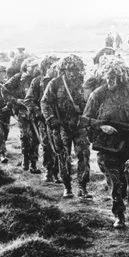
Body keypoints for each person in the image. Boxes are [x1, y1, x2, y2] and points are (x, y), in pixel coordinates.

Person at [82, 56, 129, 227]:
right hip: (107, 145)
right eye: (108, 77)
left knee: (125, 180)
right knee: (114, 180)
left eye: (114, 78)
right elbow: (86, 119)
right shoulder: (98, 94)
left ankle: (123, 205)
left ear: (121, 77)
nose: (111, 81)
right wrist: (102, 127)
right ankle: (119, 215)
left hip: (128, 143)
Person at [41, 55, 92, 199]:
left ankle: (83, 186)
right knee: (64, 156)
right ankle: (67, 186)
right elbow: (45, 102)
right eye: (69, 70)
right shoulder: (55, 83)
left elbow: (88, 102)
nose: (72, 73)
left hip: (79, 125)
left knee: (84, 154)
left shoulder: (82, 84)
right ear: (63, 69)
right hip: (62, 126)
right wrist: (51, 119)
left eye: (75, 70)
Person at [25, 55, 61, 182]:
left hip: (57, 119)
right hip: (43, 119)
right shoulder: (37, 82)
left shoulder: (59, 82)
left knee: (59, 145)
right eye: (52, 66)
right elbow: (29, 100)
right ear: (46, 67)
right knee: (47, 144)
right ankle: (49, 171)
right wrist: (38, 112)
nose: (56, 68)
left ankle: (58, 171)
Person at [4, 58, 41, 172]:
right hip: (22, 112)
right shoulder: (18, 78)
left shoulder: (38, 79)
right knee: (25, 136)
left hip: (35, 112)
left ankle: (33, 163)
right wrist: (15, 101)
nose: (36, 68)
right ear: (26, 67)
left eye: (37, 66)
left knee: (36, 138)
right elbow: (5, 90)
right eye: (33, 66)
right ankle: (25, 160)